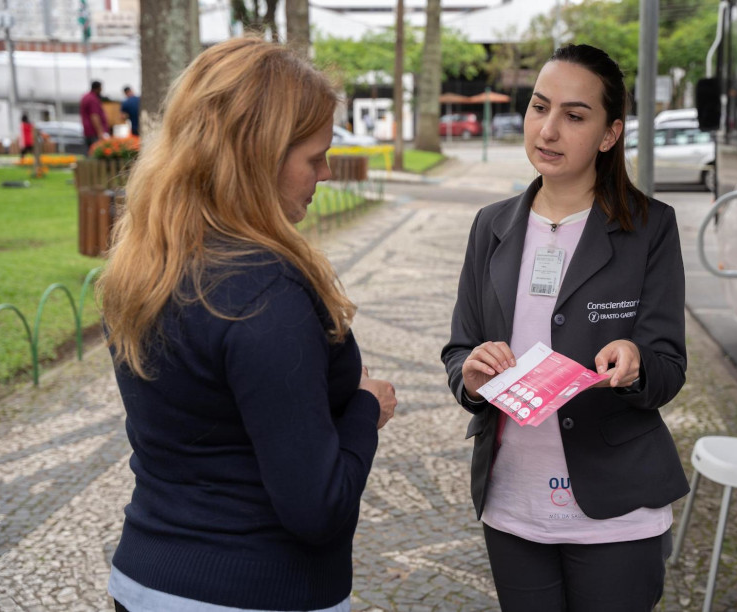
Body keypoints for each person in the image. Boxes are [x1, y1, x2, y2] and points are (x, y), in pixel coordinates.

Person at [98, 37, 397, 612]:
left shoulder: (147, 262)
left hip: (142, 579)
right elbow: (317, 508)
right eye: (314, 157)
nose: (327, 172)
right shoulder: (263, 292)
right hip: (254, 590)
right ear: (258, 157)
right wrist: (365, 409)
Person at [441, 43, 690, 612]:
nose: (548, 130)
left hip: (615, 506)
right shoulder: (491, 226)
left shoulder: (651, 227)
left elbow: (668, 367)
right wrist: (472, 376)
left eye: (574, 116)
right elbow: (460, 348)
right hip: (512, 500)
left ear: (609, 134)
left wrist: (635, 361)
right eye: (539, 107)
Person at [80, 80, 109, 148]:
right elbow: (94, 116)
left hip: (88, 131)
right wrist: (100, 132)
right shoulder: (93, 99)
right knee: (95, 152)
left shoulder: (86, 96)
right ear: (98, 88)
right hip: (93, 132)